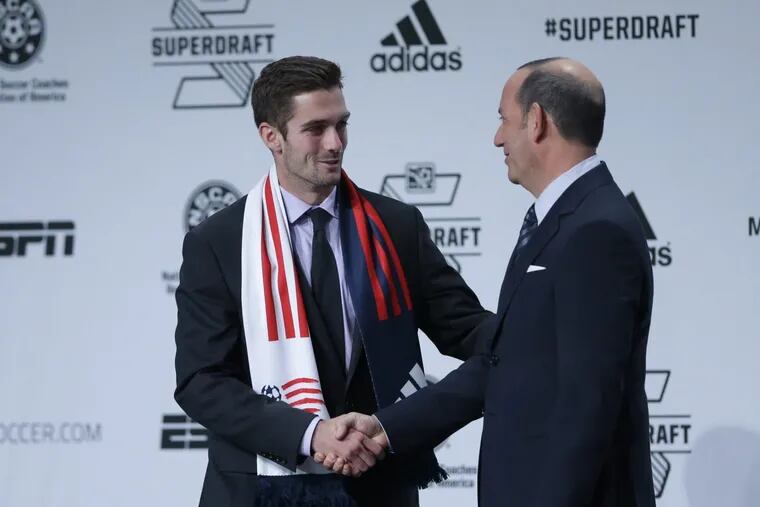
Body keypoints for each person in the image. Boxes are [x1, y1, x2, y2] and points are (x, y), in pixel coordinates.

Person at [319, 57, 657, 507]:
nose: (498, 137)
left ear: (536, 121)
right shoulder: (566, 219)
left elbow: (588, 402)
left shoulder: (595, 230)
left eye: (504, 120)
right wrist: (385, 427)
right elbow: (506, 360)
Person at [173, 55, 491, 507]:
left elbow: (467, 329)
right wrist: (310, 433)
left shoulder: (396, 226)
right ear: (271, 136)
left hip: (378, 488)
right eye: (316, 128)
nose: (335, 143)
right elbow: (202, 380)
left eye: (342, 125)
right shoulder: (218, 241)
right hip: (258, 490)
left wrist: (537, 330)